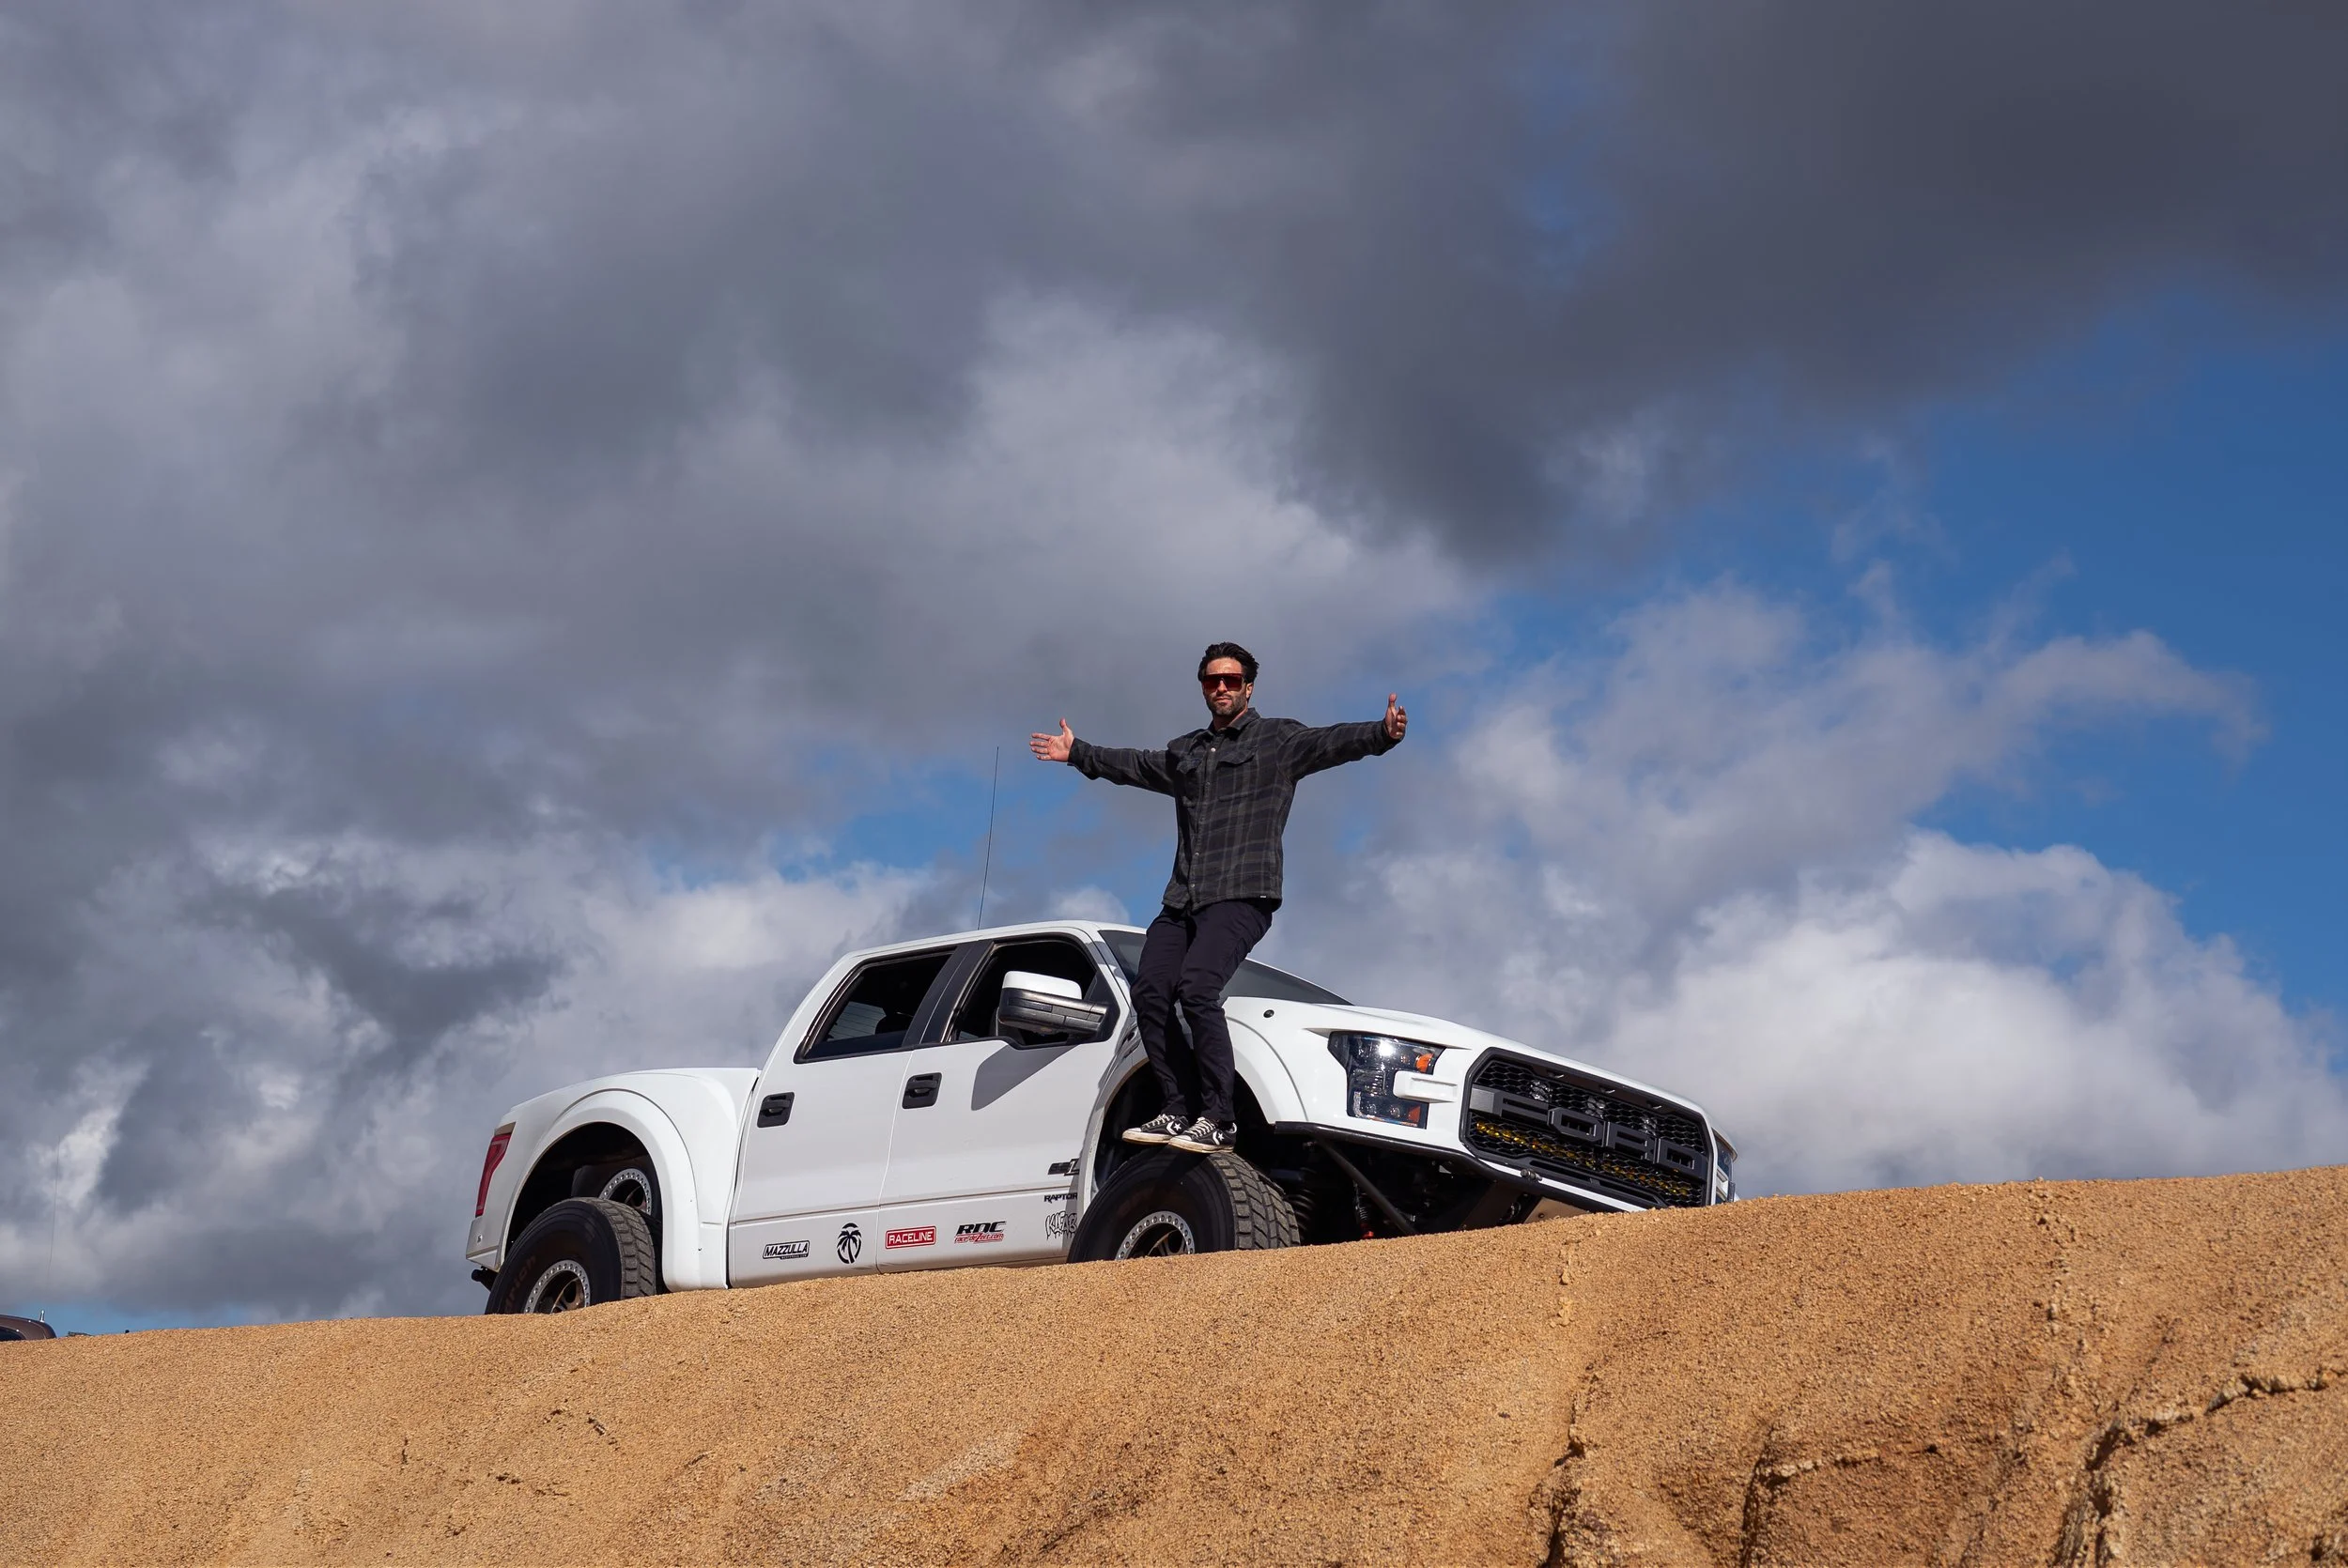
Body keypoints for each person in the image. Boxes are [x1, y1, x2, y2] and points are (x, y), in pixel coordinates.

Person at [1029, 641, 1406, 1154]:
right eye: (1212, 681)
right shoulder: (1188, 751)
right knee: (1151, 991)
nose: (1222, 687)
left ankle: (1220, 1117)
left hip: (1243, 893)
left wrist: (1381, 734)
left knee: (1198, 988)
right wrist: (1078, 753)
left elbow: (1330, 743)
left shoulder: (1277, 740)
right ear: (1204, 688)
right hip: (1183, 899)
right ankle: (1177, 1109)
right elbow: (1138, 765)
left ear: (1248, 687)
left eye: (1231, 680)